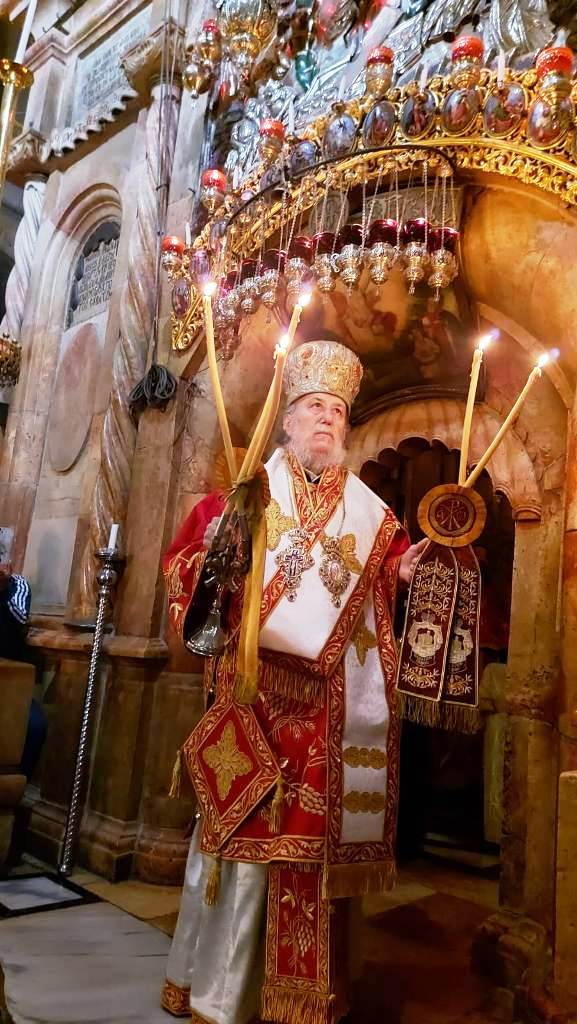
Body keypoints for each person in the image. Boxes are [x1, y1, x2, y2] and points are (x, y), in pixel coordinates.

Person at [161, 339, 426, 1024]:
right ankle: (221, 994)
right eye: (313, 407)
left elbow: (378, 589)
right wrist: (214, 559)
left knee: (306, 852)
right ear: (287, 421)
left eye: (336, 410)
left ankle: (305, 996)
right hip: (251, 702)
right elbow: (183, 572)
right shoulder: (243, 497)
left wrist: (398, 576)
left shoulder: (373, 518)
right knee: (241, 845)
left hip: (323, 716)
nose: (326, 419)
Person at [0, 563, 46, 781]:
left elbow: (20, 616)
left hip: (10, 685)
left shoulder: (17, 584)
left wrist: (3, 589)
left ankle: (17, 788)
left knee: (35, 726)